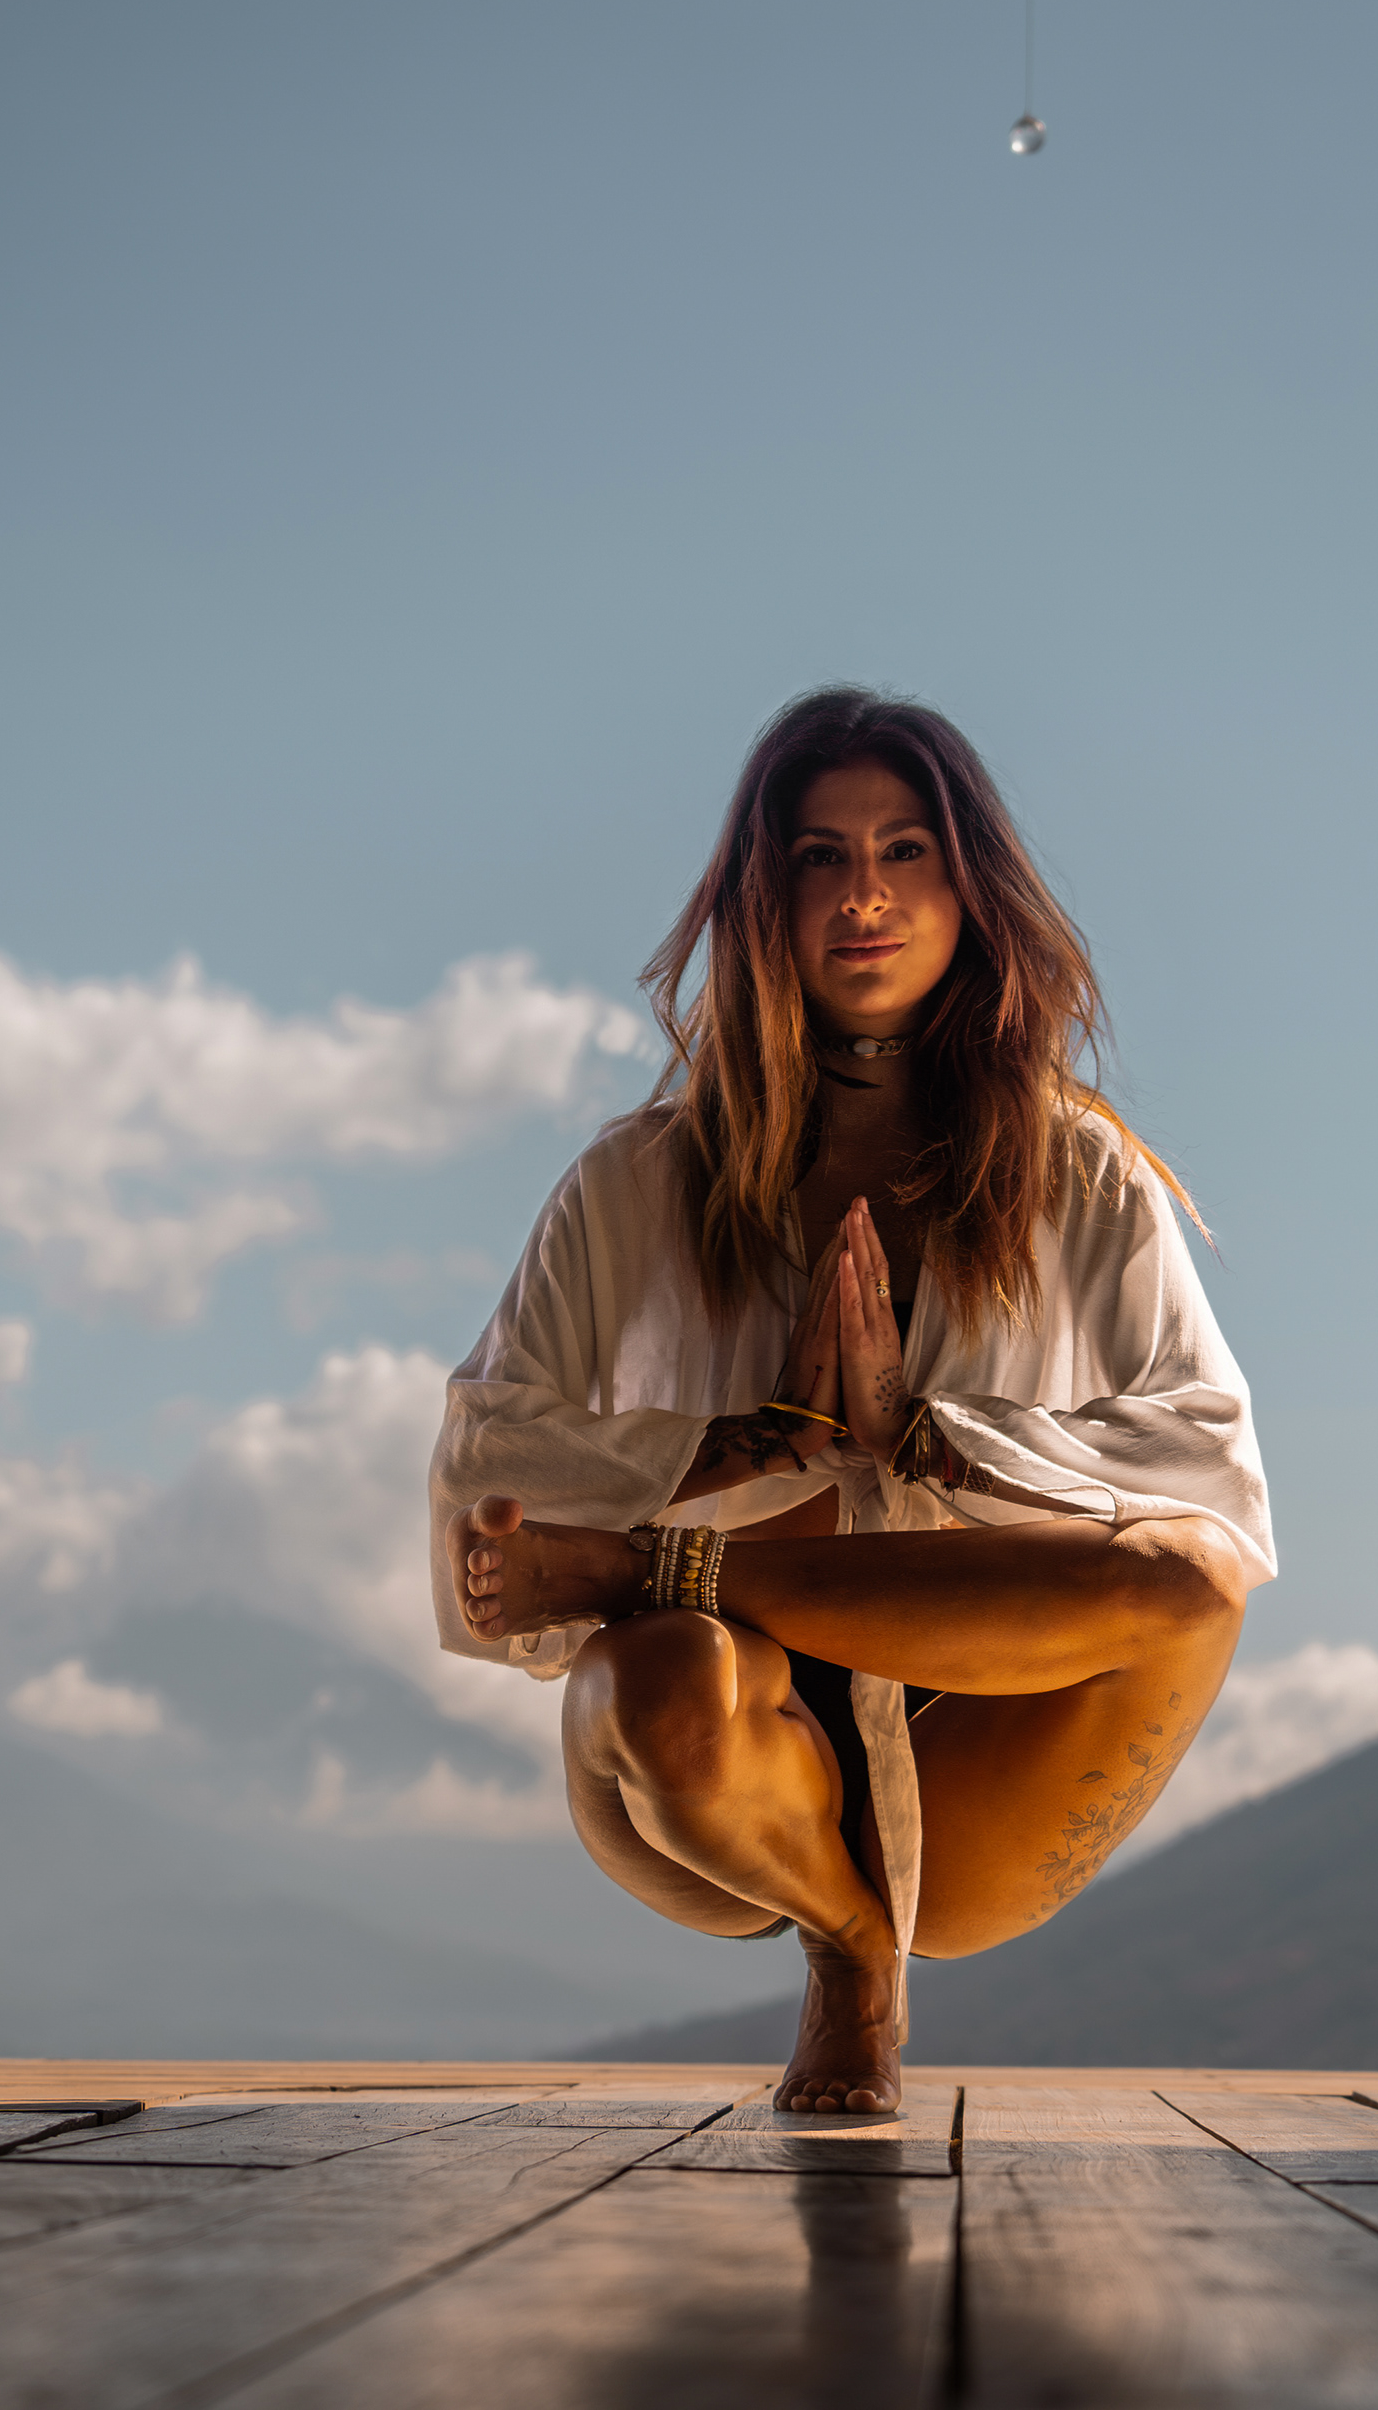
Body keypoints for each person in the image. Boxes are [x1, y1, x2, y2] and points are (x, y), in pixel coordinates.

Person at [432, 688, 1271, 2115]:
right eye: (819, 857)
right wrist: (735, 1443)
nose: (864, 897)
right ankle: (846, 1949)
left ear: (968, 885)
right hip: (694, 1767)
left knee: (1189, 1579)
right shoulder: (628, 1186)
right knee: (657, 1673)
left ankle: (673, 1584)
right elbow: (488, 1462)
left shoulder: (1082, 1176)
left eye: (905, 852)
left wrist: (926, 1441)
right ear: (765, 899)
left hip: (974, 1754)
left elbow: (1207, 1463)